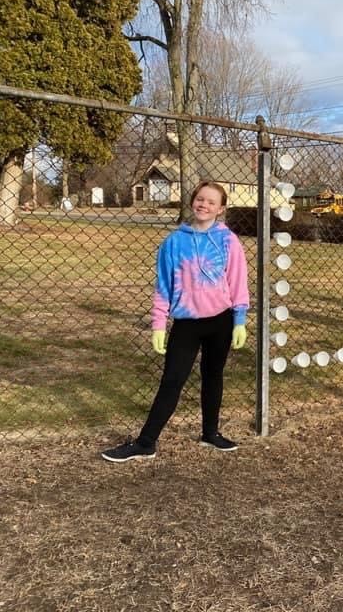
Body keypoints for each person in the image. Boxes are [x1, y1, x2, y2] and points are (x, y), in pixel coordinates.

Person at [102, 181, 250, 462]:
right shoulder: (174, 242)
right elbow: (163, 287)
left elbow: (238, 282)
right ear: (192, 202)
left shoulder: (229, 241)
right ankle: (146, 443)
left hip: (221, 322)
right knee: (172, 380)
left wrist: (239, 318)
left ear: (221, 208)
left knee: (213, 376)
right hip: (187, 324)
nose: (204, 205)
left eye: (211, 201)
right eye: (200, 199)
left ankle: (210, 433)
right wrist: (158, 324)